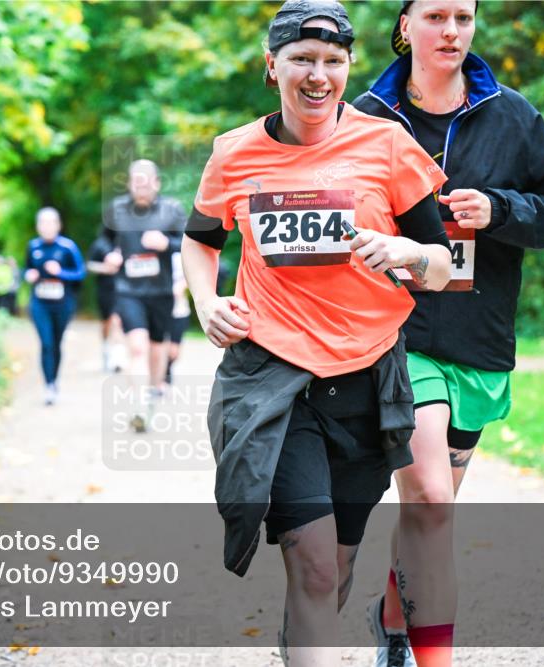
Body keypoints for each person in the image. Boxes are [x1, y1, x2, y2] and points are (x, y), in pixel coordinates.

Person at [182, 2, 454, 665]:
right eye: (302, 59)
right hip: (274, 380)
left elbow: (444, 264)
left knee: (336, 562)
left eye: (333, 62)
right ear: (271, 65)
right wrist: (204, 301)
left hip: (367, 380)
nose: (318, 75)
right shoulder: (234, 152)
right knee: (313, 567)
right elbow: (199, 240)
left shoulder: (387, 146)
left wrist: (406, 254)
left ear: (349, 67)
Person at [352, 3, 544, 666]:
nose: (451, 30)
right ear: (405, 25)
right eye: (436, 16)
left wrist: (499, 208)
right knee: (427, 495)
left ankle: (393, 619)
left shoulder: (513, 115)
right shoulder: (364, 116)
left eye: (464, 17)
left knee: (434, 507)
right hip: (397, 329)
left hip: (478, 335)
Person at [99, 159, 186, 431]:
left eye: (146, 182)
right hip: (128, 291)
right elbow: (103, 240)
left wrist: (166, 243)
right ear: (129, 184)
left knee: (157, 352)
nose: (141, 187)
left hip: (161, 292)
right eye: (136, 182)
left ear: (157, 183)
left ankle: (149, 402)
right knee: (137, 348)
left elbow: (189, 243)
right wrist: (109, 254)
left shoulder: (171, 210)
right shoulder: (117, 210)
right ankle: (137, 405)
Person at [23, 207, 86, 405]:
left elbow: (81, 273)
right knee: (46, 343)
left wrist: (61, 273)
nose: (47, 227)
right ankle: (48, 385)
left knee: (57, 344)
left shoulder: (68, 247)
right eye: (43, 223)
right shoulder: (33, 247)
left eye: (51, 222)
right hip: (39, 303)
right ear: (38, 226)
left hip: (63, 304)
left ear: (58, 225)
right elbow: (27, 268)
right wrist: (29, 275)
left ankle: (55, 380)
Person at [87, 234, 126, 373]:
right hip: (105, 289)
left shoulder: (130, 239)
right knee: (106, 323)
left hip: (124, 290)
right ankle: (105, 349)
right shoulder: (100, 244)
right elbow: (90, 264)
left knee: (117, 321)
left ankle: (117, 359)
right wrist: (105, 268)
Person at [164, 251, 191, 386]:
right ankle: (162, 379)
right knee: (160, 346)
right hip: (161, 309)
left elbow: (190, 276)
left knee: (174, 352)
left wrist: (180, 287)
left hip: (179, 310)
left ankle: (166, 370)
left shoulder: (180, 256)